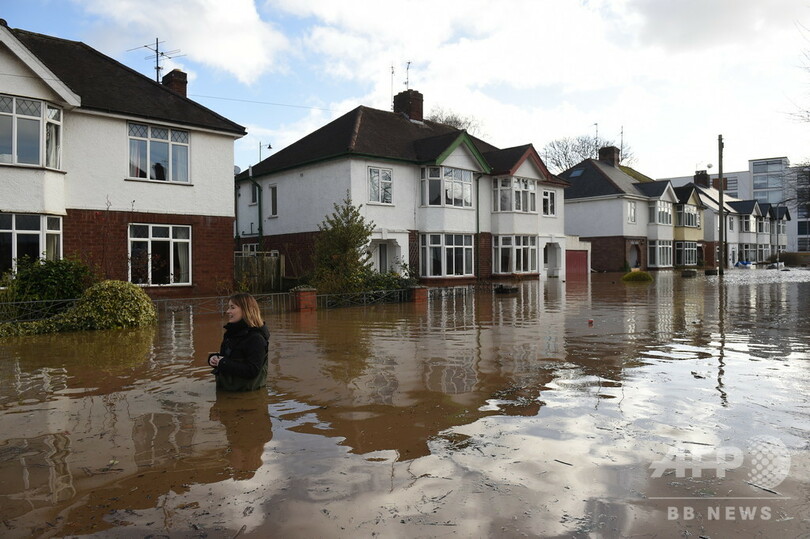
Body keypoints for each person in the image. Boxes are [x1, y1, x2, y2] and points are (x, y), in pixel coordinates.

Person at [208, 293, 269, 391]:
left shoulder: (256, 338)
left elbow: (252, 370)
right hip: (227, 392)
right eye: (228, 307)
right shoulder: (231, 333)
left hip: (247, 397)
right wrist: (213, 358)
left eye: (232, 307)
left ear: (246, 310)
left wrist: (222, 362)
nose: (228, 311)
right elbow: (228, 358)